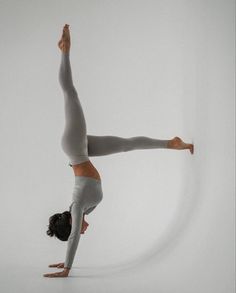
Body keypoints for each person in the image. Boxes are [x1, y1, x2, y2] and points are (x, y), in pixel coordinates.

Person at [43, 24, 194, 278]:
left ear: (72, 223)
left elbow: (73, 240)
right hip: (80, 152)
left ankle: (65, 51)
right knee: (126, 144)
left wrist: (67, 267)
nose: (82, 231)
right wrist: (64, 258)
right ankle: (171, 143)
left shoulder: (78, 207)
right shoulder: (80, 207)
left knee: (71, 93)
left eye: (77, 230)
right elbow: (73, 235)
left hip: (75, 147)